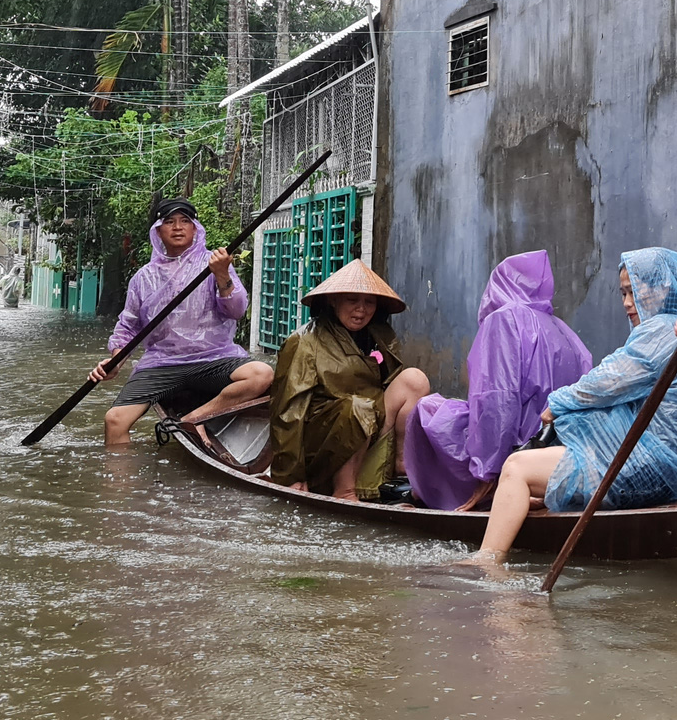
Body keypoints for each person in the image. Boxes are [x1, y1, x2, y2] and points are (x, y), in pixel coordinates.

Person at [467, 248, 677, 564]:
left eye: (634, 291)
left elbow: (608, 381)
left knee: (516, 468)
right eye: (623, 293)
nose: (627, 303)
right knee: (540, 468)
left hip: (648, 469)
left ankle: (486, 563)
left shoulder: (662, 332)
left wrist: (556, 404)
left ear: (663, 288)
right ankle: (538, 493)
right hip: (676, 474)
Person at [402, 251, 594, 511]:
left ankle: (435, 494)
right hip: (555, 448)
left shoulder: (503, 320)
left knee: (426, 410)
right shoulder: (565, 331)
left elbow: (497, 401)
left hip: (514, 449)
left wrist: (487, 472)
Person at [90, 199, 273, 445]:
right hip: (162, 364)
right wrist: (115, 362)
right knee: (114, 420)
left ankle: (192, 419)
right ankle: (121, 484)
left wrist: (221, 274)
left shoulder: (214, 263)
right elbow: (129, 328)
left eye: (185, 221)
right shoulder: (143, 278)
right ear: (157, 230)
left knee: (262, 374)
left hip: (213, 358)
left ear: (195, 228)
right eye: (169, 221)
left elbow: (237, 310)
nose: (178, 227)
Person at [266, 260, 432, 499]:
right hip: (323, 439)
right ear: (334, 301)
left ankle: (402, 468)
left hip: (369, 424)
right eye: (352, 300)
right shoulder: (304, 341)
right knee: (359, 407)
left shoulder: (379, 335)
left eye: (369, 302)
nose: (361, 310)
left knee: (415, 379)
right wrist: (291, 476)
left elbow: (391, 383)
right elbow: (288, 411)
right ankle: (345, 491)